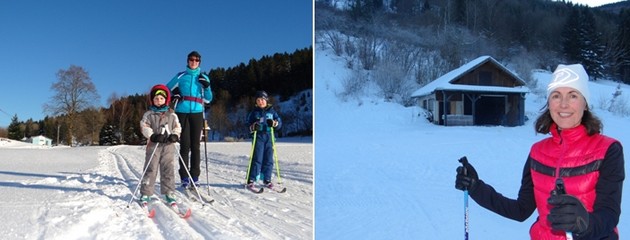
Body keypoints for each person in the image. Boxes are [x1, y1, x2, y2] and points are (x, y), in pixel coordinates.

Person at [455, 64, 624, 239]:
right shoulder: (538, 152)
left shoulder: (608, 149)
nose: (564, 104)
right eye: (556, 96)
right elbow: (521, 210)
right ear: (549, 103)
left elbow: (609, 215)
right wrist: (476, 188)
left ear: (585, 104)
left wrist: (585, 223)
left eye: (573, 95)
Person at [166, 51, 213, 189]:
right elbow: (166, 89)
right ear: (188, 61)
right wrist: (175, 94)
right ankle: (185, 177)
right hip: (182, 112)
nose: (194, 62)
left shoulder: (203, 77)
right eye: (191, 60)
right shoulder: (181, 76)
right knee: (185, 145)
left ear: (199, 62)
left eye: (196, 60)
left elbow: (209, 98)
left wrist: (207, 86)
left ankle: (195, 177)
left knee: (196, 146)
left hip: (197, 112)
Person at [139, 84, 182, 205]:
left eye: (161, 98)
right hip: (153, 145)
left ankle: (169, 192)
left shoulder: (172, 114)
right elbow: (144, 126)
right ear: (152, 100)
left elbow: (177, 127)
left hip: (168, 146)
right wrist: (152, 135)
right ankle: (145, 193)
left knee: (168, 168)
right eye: (156, 99)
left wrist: (175, 135)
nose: (159, 101)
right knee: (151, 168)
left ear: (166, 99)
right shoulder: (149, 114)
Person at [246, 90, 282, 189]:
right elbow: (248, 124)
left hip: (270, 137)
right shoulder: (254, 112)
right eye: (258, 100)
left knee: (268, 159)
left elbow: (279, 123)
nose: (260, 102)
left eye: (262, 99)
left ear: (266, 100)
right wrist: (253, 127)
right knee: (257, 158)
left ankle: (267, 179)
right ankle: (251, 179)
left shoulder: (272, 111)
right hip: (259, 137)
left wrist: (275, 123)